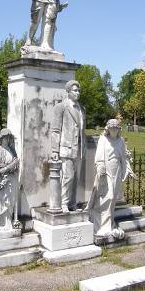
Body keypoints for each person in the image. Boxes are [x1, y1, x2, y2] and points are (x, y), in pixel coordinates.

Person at [87, 119, 136, 240]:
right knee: (106, 197)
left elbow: (124, 157)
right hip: (106, 170)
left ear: (119, 130)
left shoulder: (120, 141)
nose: (114, 130)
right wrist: (100, 166)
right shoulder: (103, 140)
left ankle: (109, 223)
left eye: (116, 128)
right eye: (112, 128)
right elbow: (99, 155)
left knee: (113, 197)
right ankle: (102, 225)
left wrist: (128, 168)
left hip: (117, 170)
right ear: (107, 129)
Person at [51, 80, 86, 212]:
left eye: (78, 90)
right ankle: (64, 203)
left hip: (79, 149)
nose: (77, 93)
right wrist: (55, 150)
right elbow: (55, 130)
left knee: (76, 178)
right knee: (67, 177)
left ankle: (73, 204)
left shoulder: (82, 109)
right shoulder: (61, 107)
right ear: (68, 92)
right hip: (66, 148)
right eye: (75, 90)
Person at [0, 129, 20, 234]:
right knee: (2, 202)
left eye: (9, 137)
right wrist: (7, 168)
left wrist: (12, 166)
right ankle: (0, 224)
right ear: (1, 138)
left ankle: (8, 223)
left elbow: (16, 163)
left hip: (11, 179)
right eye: (6, 137)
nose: (8, 139)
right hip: (1, 180)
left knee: (10, 202)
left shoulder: (11, 149)